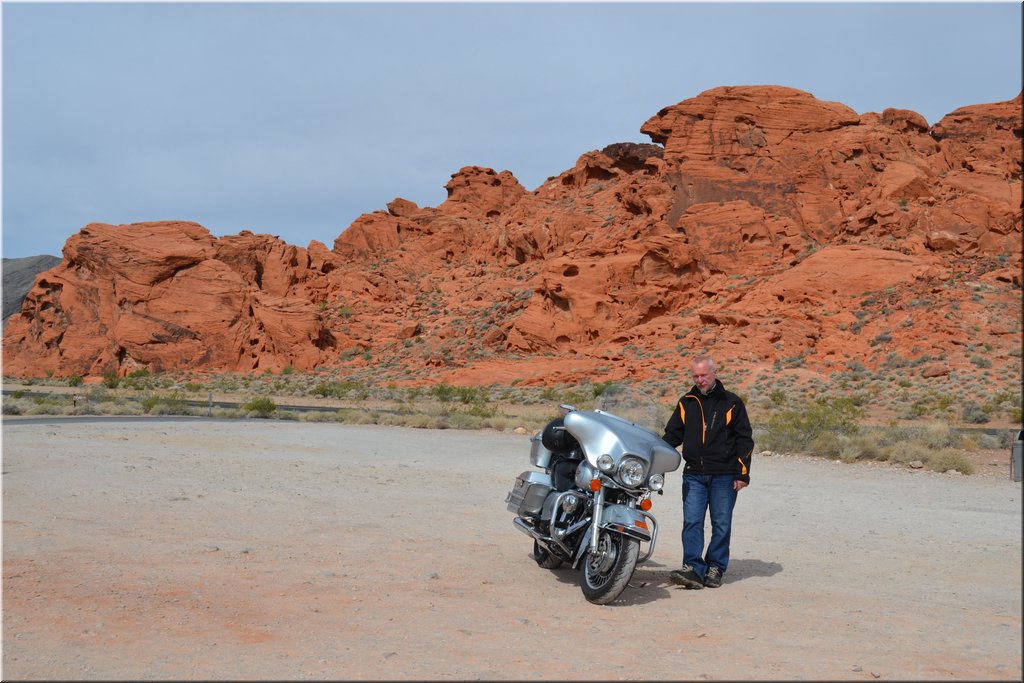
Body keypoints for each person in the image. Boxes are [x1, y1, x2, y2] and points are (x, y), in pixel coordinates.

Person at [661, 355, 754, 589]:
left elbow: (744, 440)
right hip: (693, 474)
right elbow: (672, 435)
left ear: (714, 373)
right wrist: (653, 453)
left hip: (724, 474)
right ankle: (692, 568)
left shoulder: (732, 402)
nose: (700, 380)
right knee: (692, 521)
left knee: (721, 523)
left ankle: (715, 567)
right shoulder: (687, 402)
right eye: (696, 376)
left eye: (704, 375)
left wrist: (742, 474)